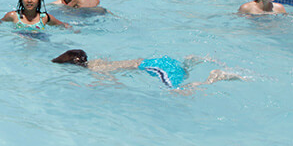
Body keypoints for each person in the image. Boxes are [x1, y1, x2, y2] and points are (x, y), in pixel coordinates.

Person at [51, 49, 240, 91]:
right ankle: (189, 62)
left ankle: (214, 78)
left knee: (178, 92)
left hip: (157, 68)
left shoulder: (96, 70)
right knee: (180, 74)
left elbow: (113, 82)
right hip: (159, 62)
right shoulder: (97, 62)